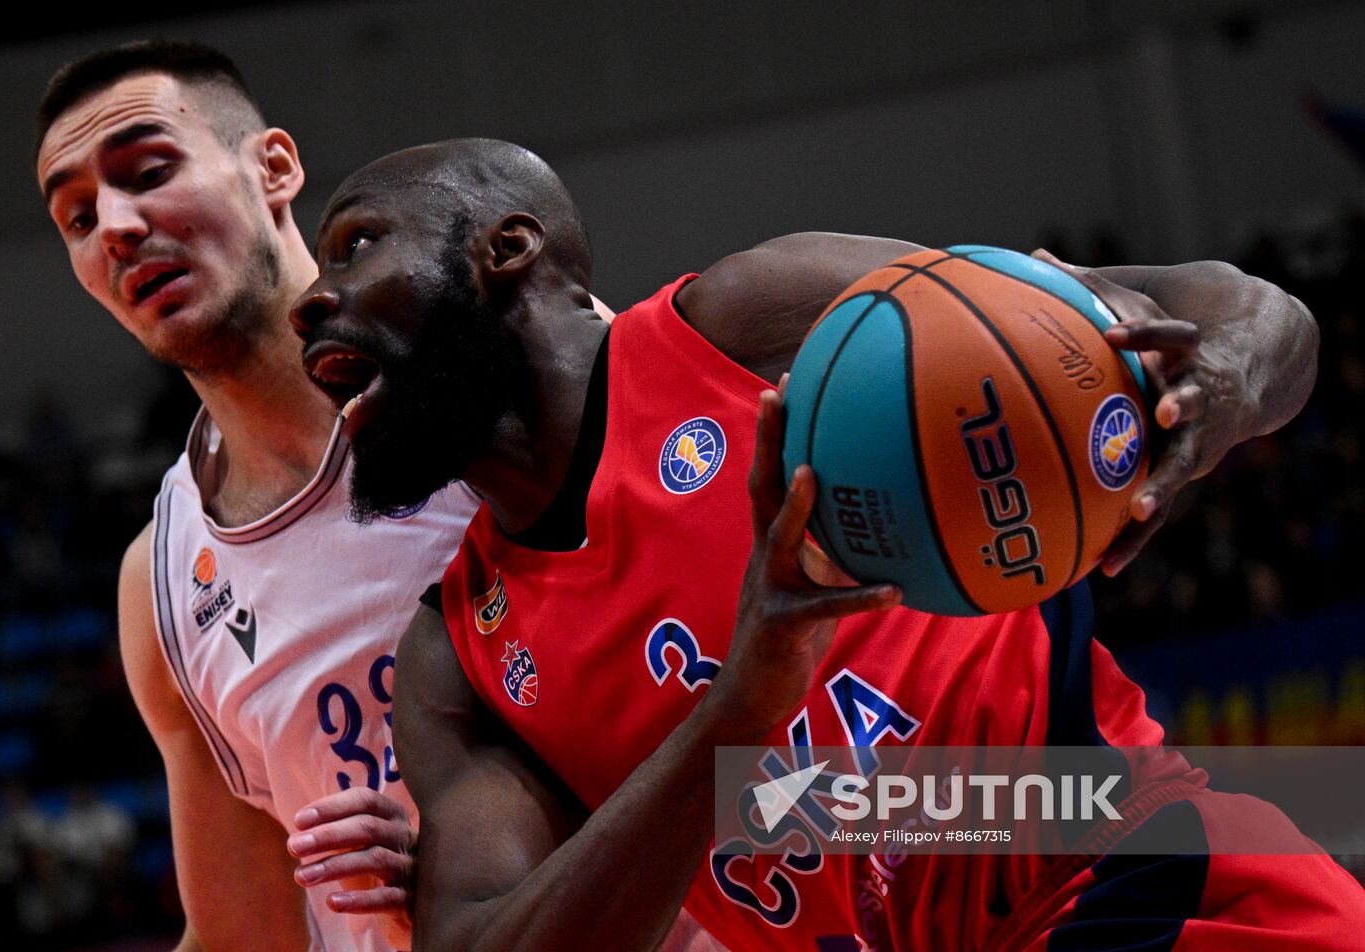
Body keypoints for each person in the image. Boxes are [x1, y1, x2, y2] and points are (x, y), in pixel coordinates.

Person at [289, 138, 1365, 950]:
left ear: (505, 248)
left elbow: (1244, 312)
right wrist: (738, 711)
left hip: (1125, 867)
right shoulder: (457, 655)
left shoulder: (741, 320)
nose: (312, 300)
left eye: (356, 245)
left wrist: (1217, 386)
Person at [33, 41, 478, 952]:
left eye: (150, 171)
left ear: (272, 168)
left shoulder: (500, 371)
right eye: (78, 217)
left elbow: (807, 712)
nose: (115, 225)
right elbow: (243, 935)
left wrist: (486, 866)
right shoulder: (159, 587)